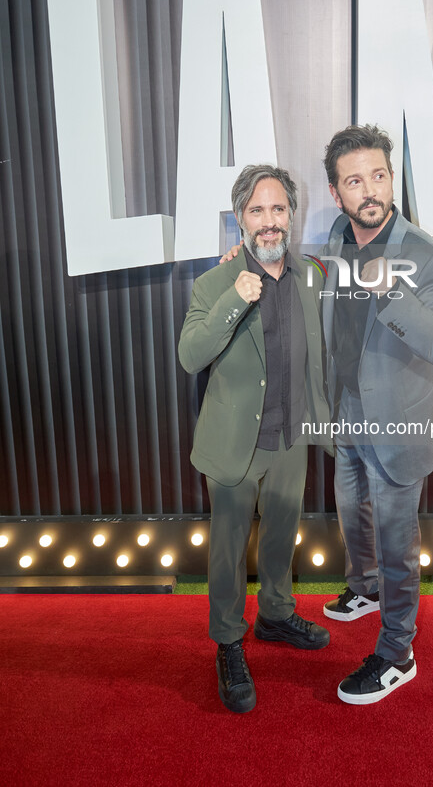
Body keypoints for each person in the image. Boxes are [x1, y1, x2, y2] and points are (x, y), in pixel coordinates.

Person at [178, 164, 331, 715]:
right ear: (240, 217)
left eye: (279, 210)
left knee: (280, 540)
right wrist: (235, 298)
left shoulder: (312, 275)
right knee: (226, 553)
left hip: (292, 438)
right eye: (257, 211)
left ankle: (275, 614)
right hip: (234, 447)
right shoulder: (214, 282)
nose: (269, 223)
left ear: (292, 214)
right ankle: (226, 642)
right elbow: (191, 355)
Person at [320, 124, 433, 705]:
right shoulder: (335, 237)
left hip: (400, 427)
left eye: (379, 175)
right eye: (355, 180)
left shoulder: (424, 255)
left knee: (398, 544)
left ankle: (398, 652)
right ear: (337, 194)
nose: (371, 189)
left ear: (391, 177)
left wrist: (393, 294)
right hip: (348, 411)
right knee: (353, 515)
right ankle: (365, 588)